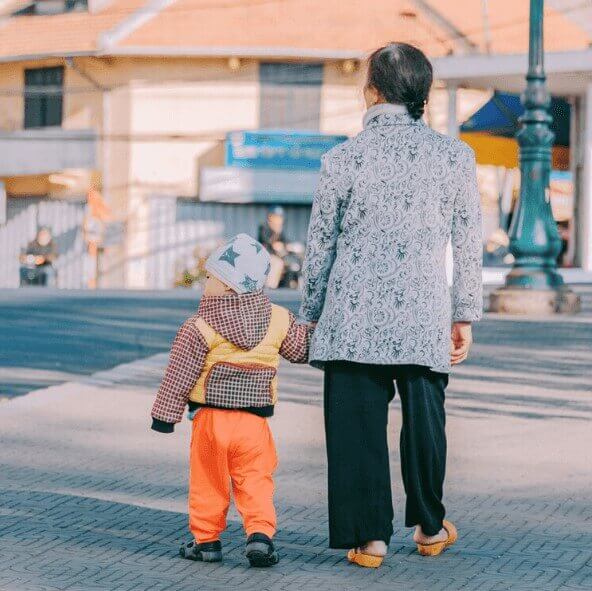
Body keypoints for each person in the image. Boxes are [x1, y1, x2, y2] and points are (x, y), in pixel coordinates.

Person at [300, 43, 483, 568]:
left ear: (372, 91)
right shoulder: (455, 157)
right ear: (422, 93)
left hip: (351, 319)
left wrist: (310, 315)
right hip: (424, 316)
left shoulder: (342, 159)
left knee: (356, 428)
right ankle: (429, 526)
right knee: (426, 424)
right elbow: (468, 242)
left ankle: (370, 540)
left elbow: (321, 247)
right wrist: (463, 313)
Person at [150, 233, 312, 568]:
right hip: (254, 425)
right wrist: (314, 328)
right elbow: (299, 351)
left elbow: (179, 375)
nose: (204, 282)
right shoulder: (279, 319)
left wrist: (165, 416)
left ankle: (206, 540)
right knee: (256, 479)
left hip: (211, 421)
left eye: (210, 277)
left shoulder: (199, 326)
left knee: (208, 480)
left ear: (228, 286)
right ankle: (260, 535)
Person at [258, 206, 288, 288]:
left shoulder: (279, 229)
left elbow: (284, 242)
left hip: (278, 255)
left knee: (289, 262)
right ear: (270, 217)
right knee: (276, 262)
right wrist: (276, 234)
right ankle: (270, 286)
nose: (279, 219)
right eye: (276, 217)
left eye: (280, 217)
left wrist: (285, 246)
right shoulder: (264, 227)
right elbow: (266, 240)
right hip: (265, 254)